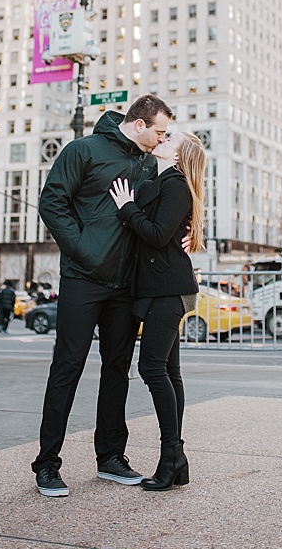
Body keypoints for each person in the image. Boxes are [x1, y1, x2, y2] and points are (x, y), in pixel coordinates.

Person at [31, 94, 172, 498]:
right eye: (159, 131)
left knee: (117, 371)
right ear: (140, 124)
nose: (163, 139)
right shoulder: (83, 151)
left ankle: (111, 457)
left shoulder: (150, 162)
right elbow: (52, 202)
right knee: (67, 367)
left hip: (126, 286)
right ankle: (47, 464)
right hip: (82, 278)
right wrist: (85, 251)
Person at [109, 130, 206, 491]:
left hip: (169, 290)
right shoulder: (158, 179)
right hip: (159, 288)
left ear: (179, 156)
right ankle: (175, 461)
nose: (162, 140)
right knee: (169, 370)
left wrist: (126, 207)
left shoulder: (176, 184)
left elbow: (156, 233)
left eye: (170, 140)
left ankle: (172, 455)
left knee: (152, 368)